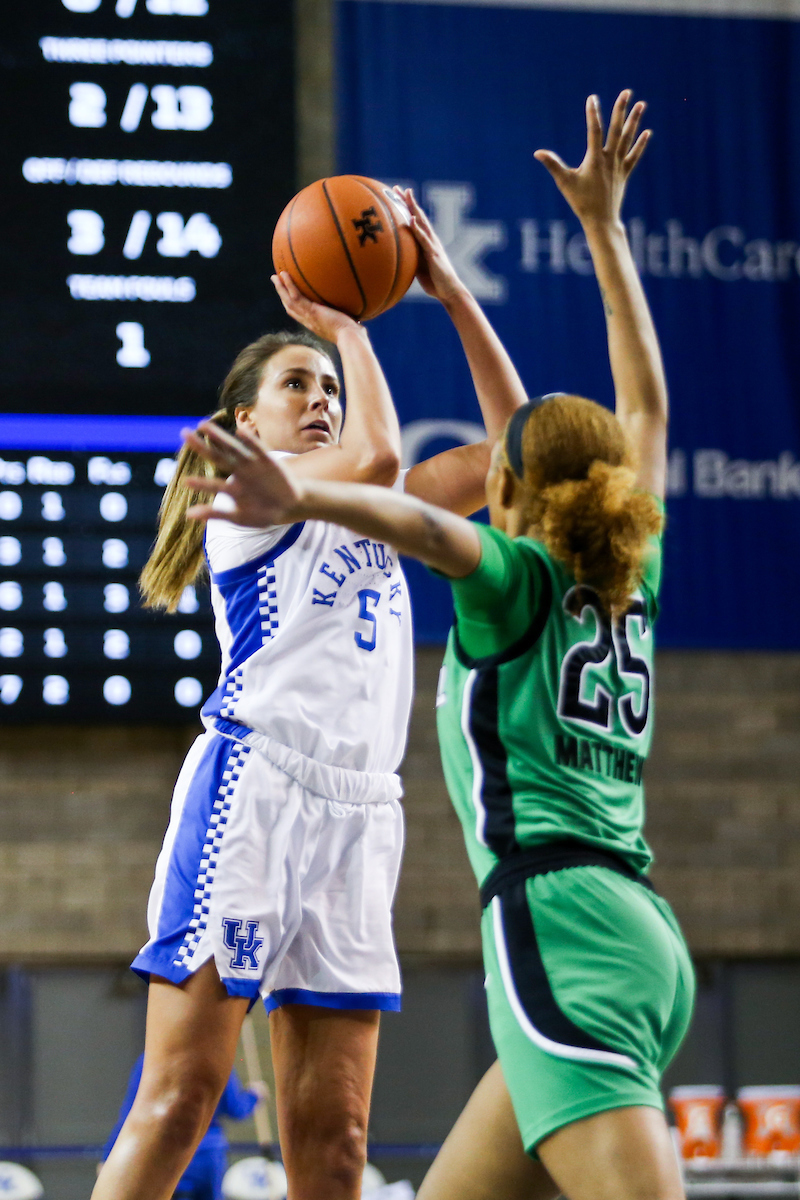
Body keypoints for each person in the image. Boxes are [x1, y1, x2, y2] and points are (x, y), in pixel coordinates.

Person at [182, 91, 695, 1200]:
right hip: (640, 929)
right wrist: (573, 243)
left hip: (558, 924)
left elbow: (409, 513)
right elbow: (644, 406)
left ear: (503, 492)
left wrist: (357, 343)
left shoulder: (509, 581)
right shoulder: (629, 565)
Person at [91, 199, 529, 1200]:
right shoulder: (243, 501)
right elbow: (373, 457)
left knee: (334, 1140)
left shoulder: (378, 508)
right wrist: (345, 321)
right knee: (180, 1100)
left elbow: (515, 455)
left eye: (331, 385)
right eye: (298, 384)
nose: (322, 396)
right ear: (244, 423)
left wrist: (452, 292)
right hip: (256, 788)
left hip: (362, 812)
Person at [100, 1055, 267, 1200]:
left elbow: (132, 1115)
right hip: (208, 1156)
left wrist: (109, 1156)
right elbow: (235, 1108)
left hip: (168, 1154)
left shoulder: (150, 1060)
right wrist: (255, 1095)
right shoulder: (218, 1059)